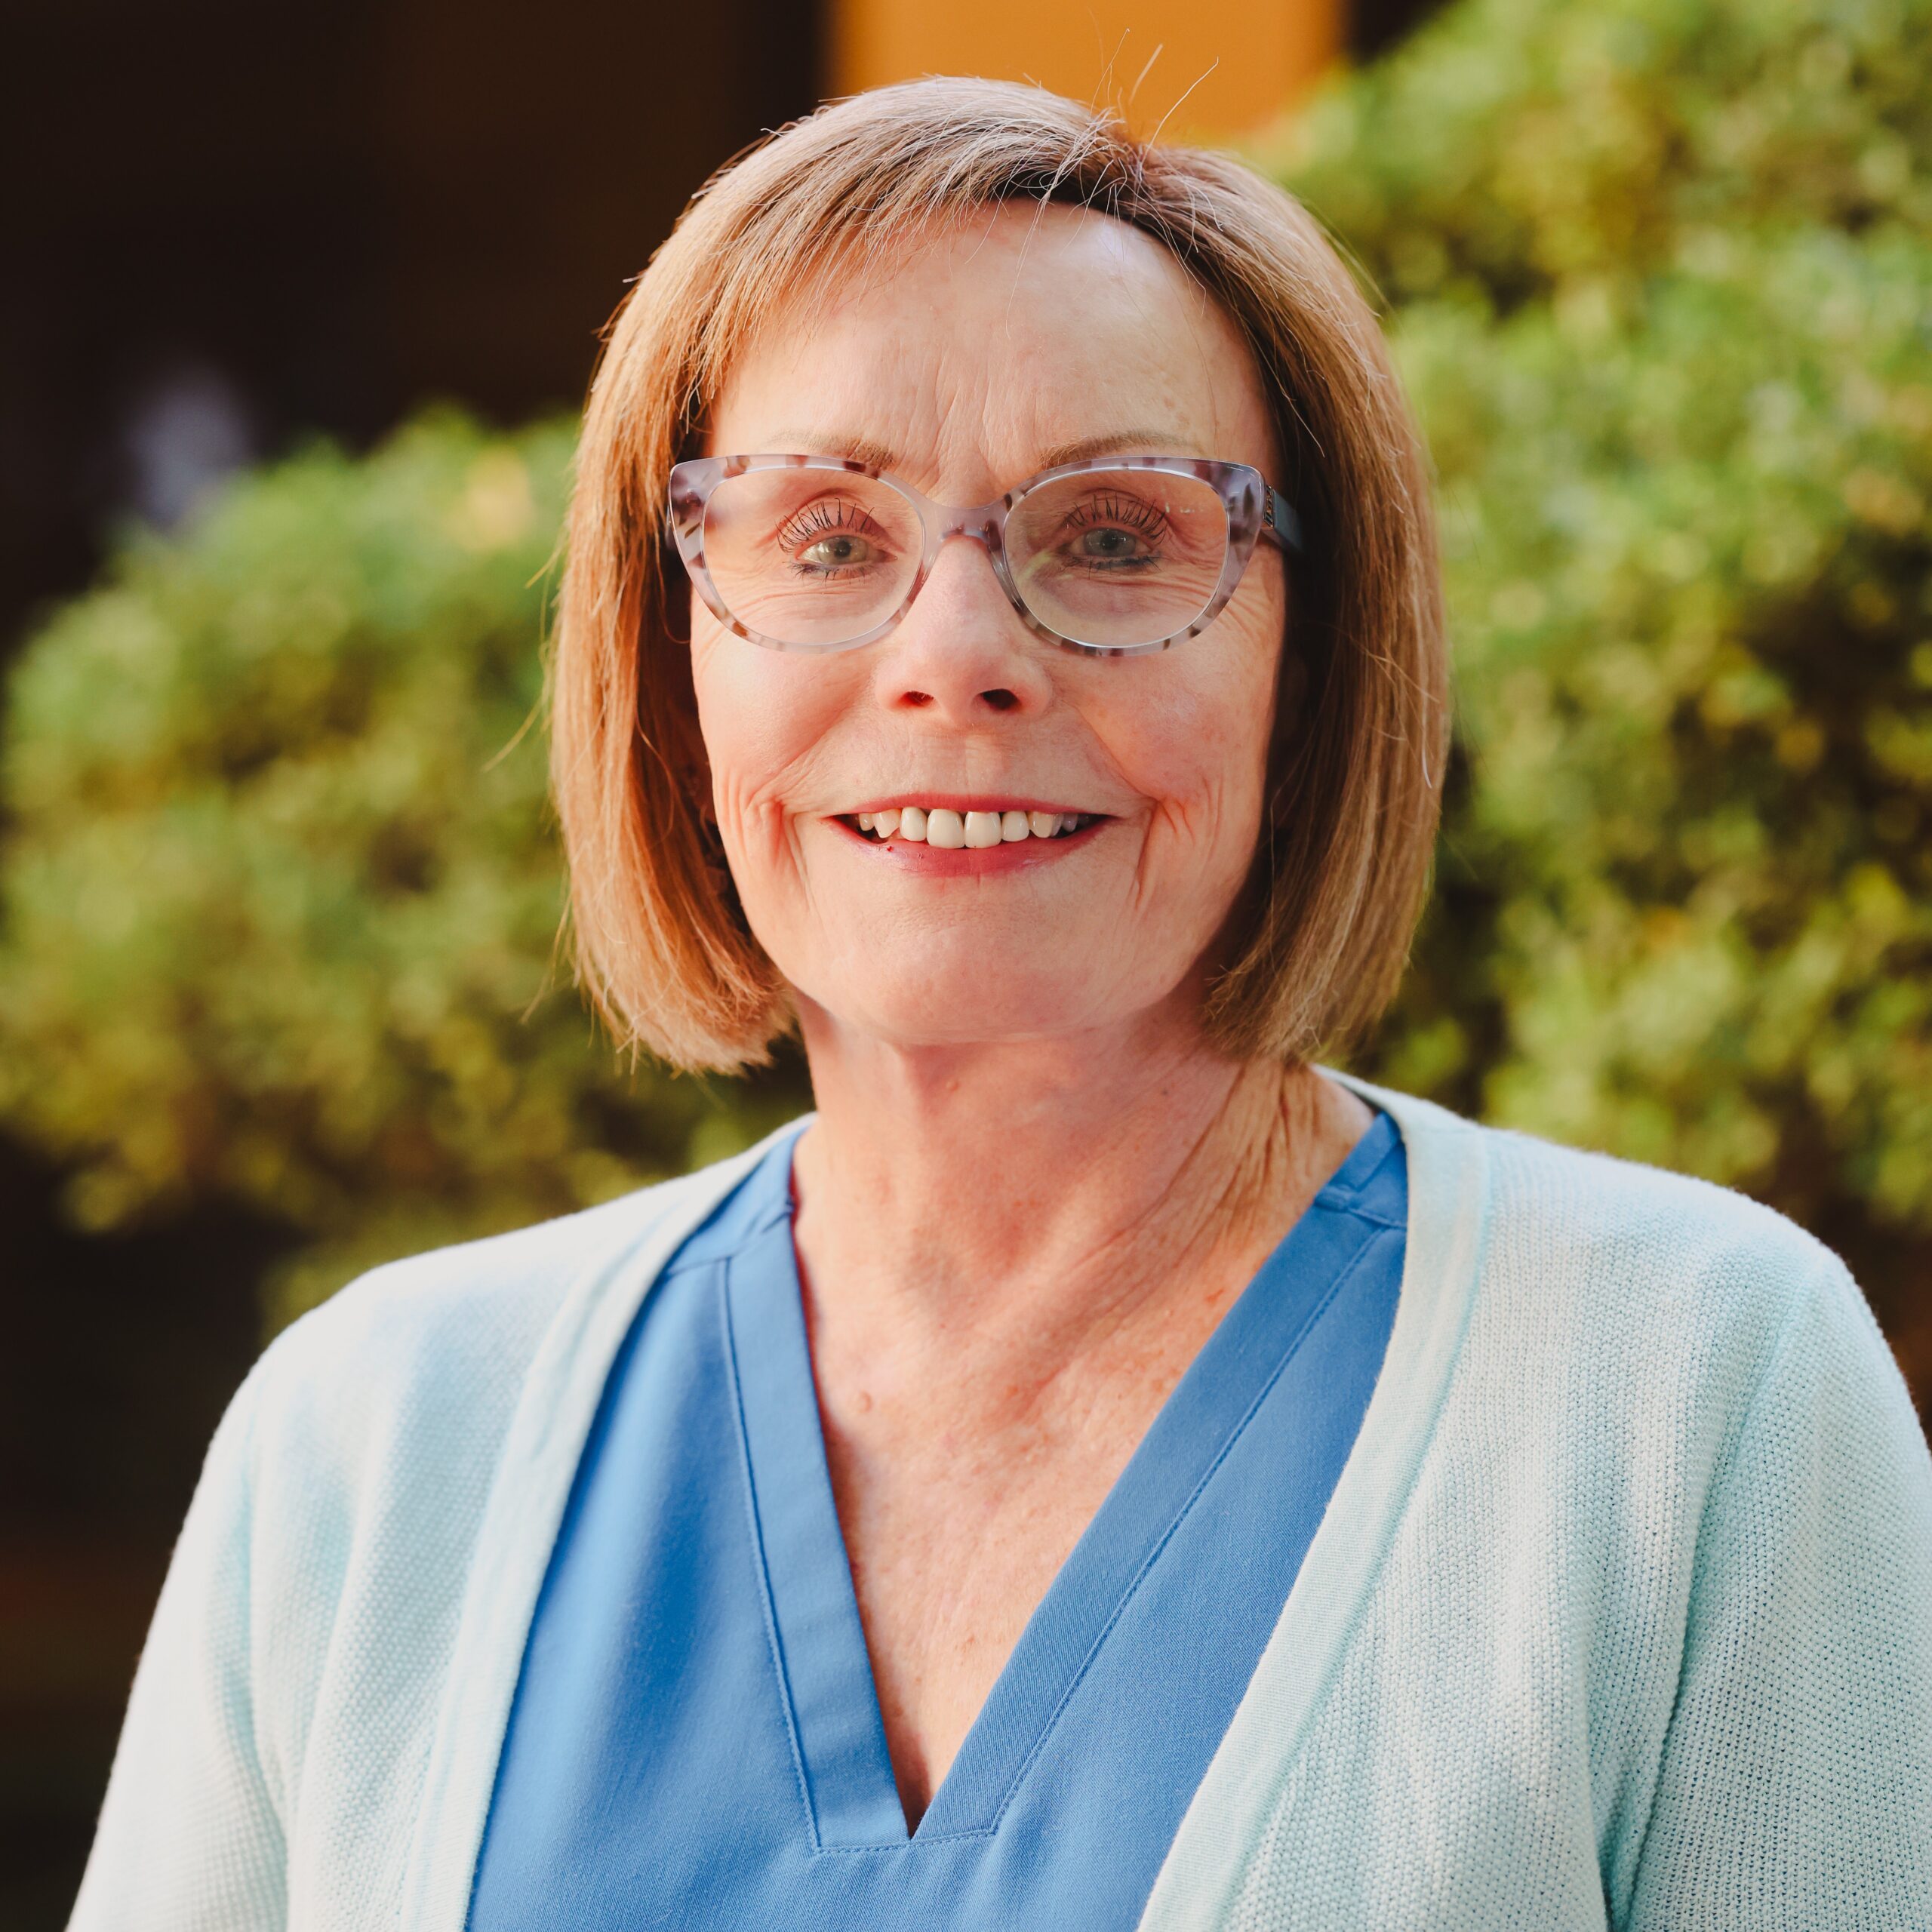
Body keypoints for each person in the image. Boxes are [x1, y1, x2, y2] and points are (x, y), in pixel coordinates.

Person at [71, 78, 1932, 1932]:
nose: (955, 658)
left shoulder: (1692, 1393)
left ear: (1314, 646)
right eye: (824, 537)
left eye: (1116, 537)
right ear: (670, 652)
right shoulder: (378, 1439)